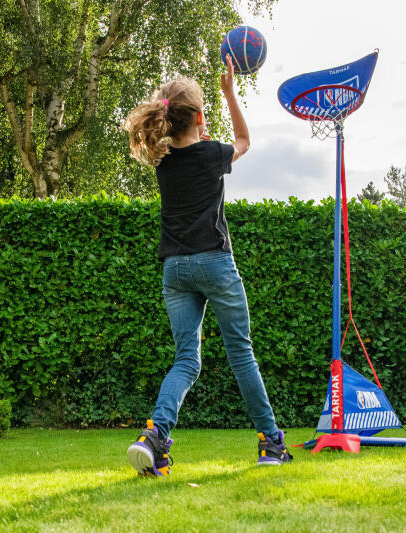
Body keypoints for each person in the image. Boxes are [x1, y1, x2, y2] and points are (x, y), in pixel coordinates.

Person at [122, 56, 292, 475]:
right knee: (241, 353)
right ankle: (270, 443)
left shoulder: (162, 161)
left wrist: (196, 130)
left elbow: (189, 148)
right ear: (198, 117)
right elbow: (244, 140)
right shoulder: (213, 154)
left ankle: (154, 436)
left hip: (175, 270)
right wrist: (230, 92)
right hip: (215, 263)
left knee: (186, 360)